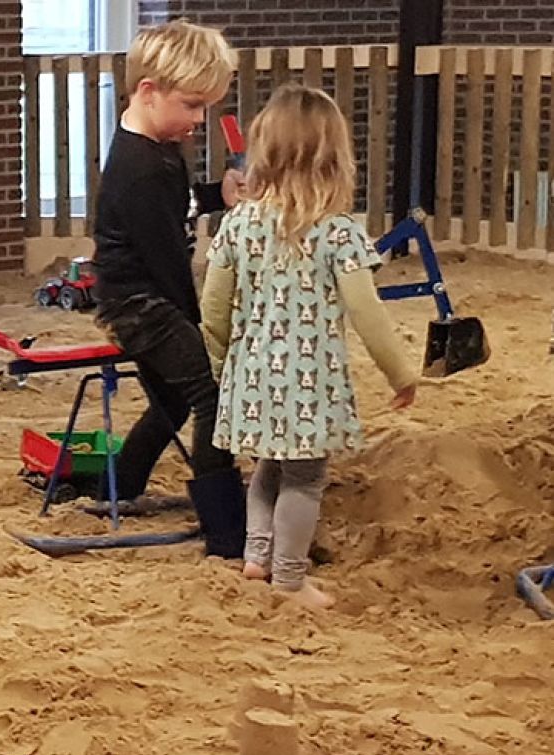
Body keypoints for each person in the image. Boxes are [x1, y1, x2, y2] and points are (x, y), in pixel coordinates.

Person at [200, 84, 419, 608]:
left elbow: (213, 305)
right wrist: (401, 373)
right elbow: (368, 313)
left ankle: (257, 557)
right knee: (305, 477)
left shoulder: (238, 223)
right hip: (309, 384)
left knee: (266, 468)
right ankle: (290, 579)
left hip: (250, 376)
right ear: (333, 157)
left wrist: (217, 364)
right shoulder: (338, 233)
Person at [88, 19, 247, 556]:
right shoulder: (141, 166)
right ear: (149, 92)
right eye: (192, 105)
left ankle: (123, 483)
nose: (199, 120)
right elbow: (164, 262)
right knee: (210, 392)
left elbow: (174, 211)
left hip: (142, 297)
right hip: (141, 304)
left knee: (174, 398)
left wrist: (218, 195)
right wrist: (202, 325)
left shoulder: (154, 149)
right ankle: (227, 528)